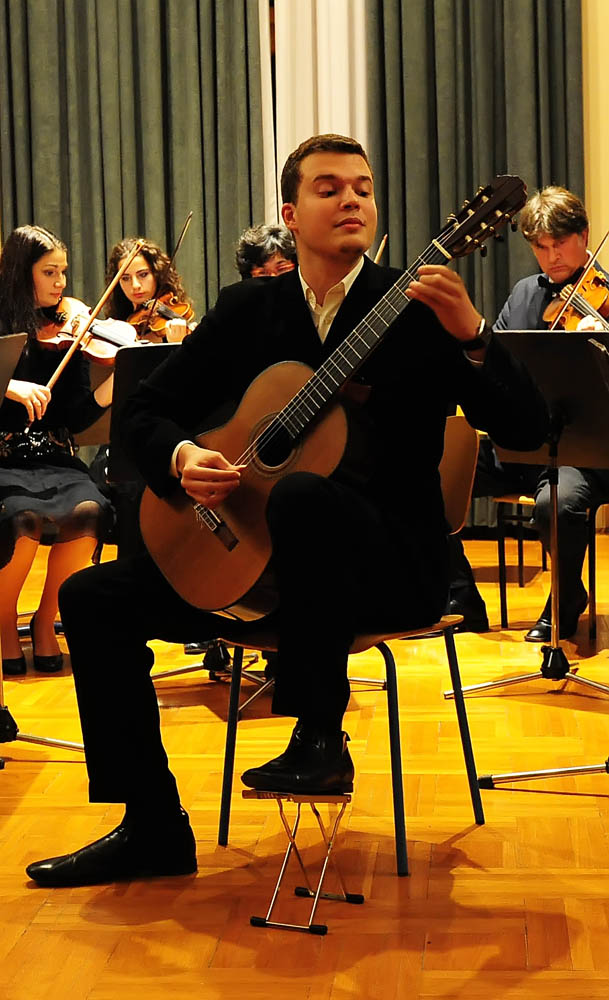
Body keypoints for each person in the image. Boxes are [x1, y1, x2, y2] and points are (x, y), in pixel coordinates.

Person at [26, 134, 548, 888]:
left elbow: (529, 432)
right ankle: (151, 827)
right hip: (254, 561)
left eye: (363, 189)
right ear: (289, 213)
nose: (351, 201)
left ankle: (317, 734)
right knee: (90, 598)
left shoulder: (421, 306)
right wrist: (183, 456)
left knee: (305, 494)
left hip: (386, 565)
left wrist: (473, 337)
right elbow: (146, 412)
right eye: (329, 188)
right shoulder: (250, 310)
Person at [448, 186, 609, 641]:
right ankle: (461, 597)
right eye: (541, 246)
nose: (551, 255)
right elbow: (494, 360)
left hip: (577, 450)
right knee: (428, 473)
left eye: (560, 243)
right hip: (518, 442)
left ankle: (566, 595)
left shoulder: (605, 296)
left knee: (556, 503)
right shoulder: (524, 295)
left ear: (584, 236)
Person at [0, 225, 114, 675]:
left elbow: (78, 417)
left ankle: (46, 620)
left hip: (52, 457)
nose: (61, 282)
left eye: (63, 271)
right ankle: (5, 624)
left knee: (91, 512)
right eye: (50, 272)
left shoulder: (69, 331)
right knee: (21, 520)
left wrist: (115, 383)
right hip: (4, 459)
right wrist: (7, 385)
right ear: (20, 274)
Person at [105, 237, 196, 343]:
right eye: (125, 278)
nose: (135, 285)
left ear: (157, 275)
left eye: (143, 275)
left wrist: (178, 345)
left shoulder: (172, 325)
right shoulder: (116, 329)